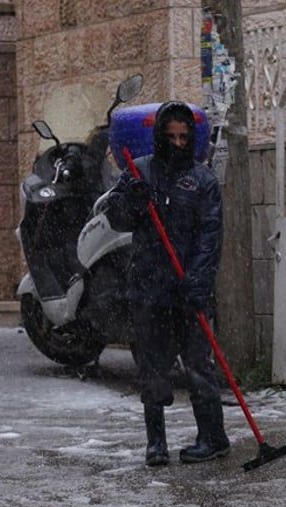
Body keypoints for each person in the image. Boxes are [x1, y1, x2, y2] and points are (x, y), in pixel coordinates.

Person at [103, 100, 229, 468]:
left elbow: (210, 237)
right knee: (152, 367)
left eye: (183, 137)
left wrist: (198, 281)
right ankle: (155, 442)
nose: (177, 143)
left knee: (198, 365)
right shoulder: (139, 172)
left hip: (189, 290)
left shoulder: (203, 180)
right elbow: (116, 218)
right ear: (159, 136)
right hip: (149, 288)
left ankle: (213, 436)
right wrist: (133, 202)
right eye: (170, 136)